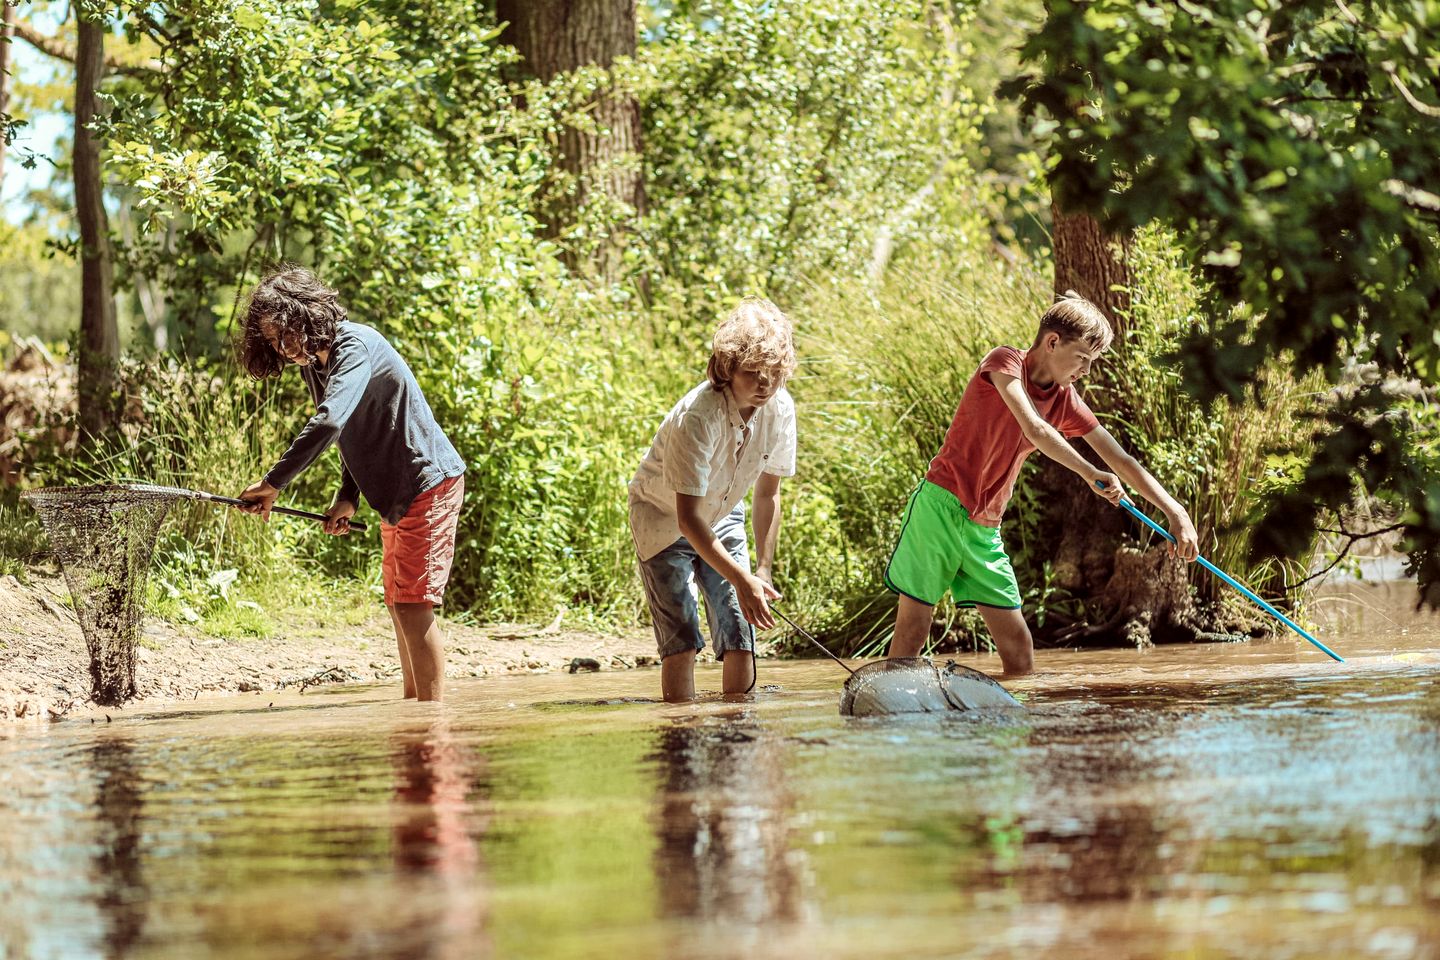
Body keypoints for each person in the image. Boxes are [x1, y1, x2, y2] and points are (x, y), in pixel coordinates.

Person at [884, 292, 1200, 675]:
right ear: (1052, 342)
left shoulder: (1066, 399)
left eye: (1092, 362)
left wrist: (1175, 511)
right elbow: (1034, 427)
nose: (1086, 370)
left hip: (984, 528)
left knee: (1019, 648)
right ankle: (889, 718)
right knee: (913, 630)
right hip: (940, 508)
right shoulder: (1005, 362)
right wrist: (1088, 472)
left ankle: (1009, 730)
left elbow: (1120, 459)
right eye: (1082, 358)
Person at [236, 265, 466, 701]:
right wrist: (347, 496)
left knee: (415, 604)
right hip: (392, 494)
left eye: (285, 335)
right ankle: (413, 708)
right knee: (400, 602)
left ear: (306, 314)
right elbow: (348, 431)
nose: (283, 350)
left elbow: (329, 421)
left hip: (425, 483)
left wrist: (272, 483)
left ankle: (431, 720)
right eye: (272, 342)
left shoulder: (354, 345)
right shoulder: (315, 366)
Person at [629, 298, 798, 702]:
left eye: (773, 374)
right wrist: (741, 580)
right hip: (664, 517)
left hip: (722, 513)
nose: (764, 385)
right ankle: (681, 734)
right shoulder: (699, 416)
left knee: (740, 628)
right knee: (683, 638)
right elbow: (688, 519)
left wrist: (761, 570)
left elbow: (768, 492)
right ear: (727, 368)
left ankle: (738, 736)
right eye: (753, 373)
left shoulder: (781, 408)